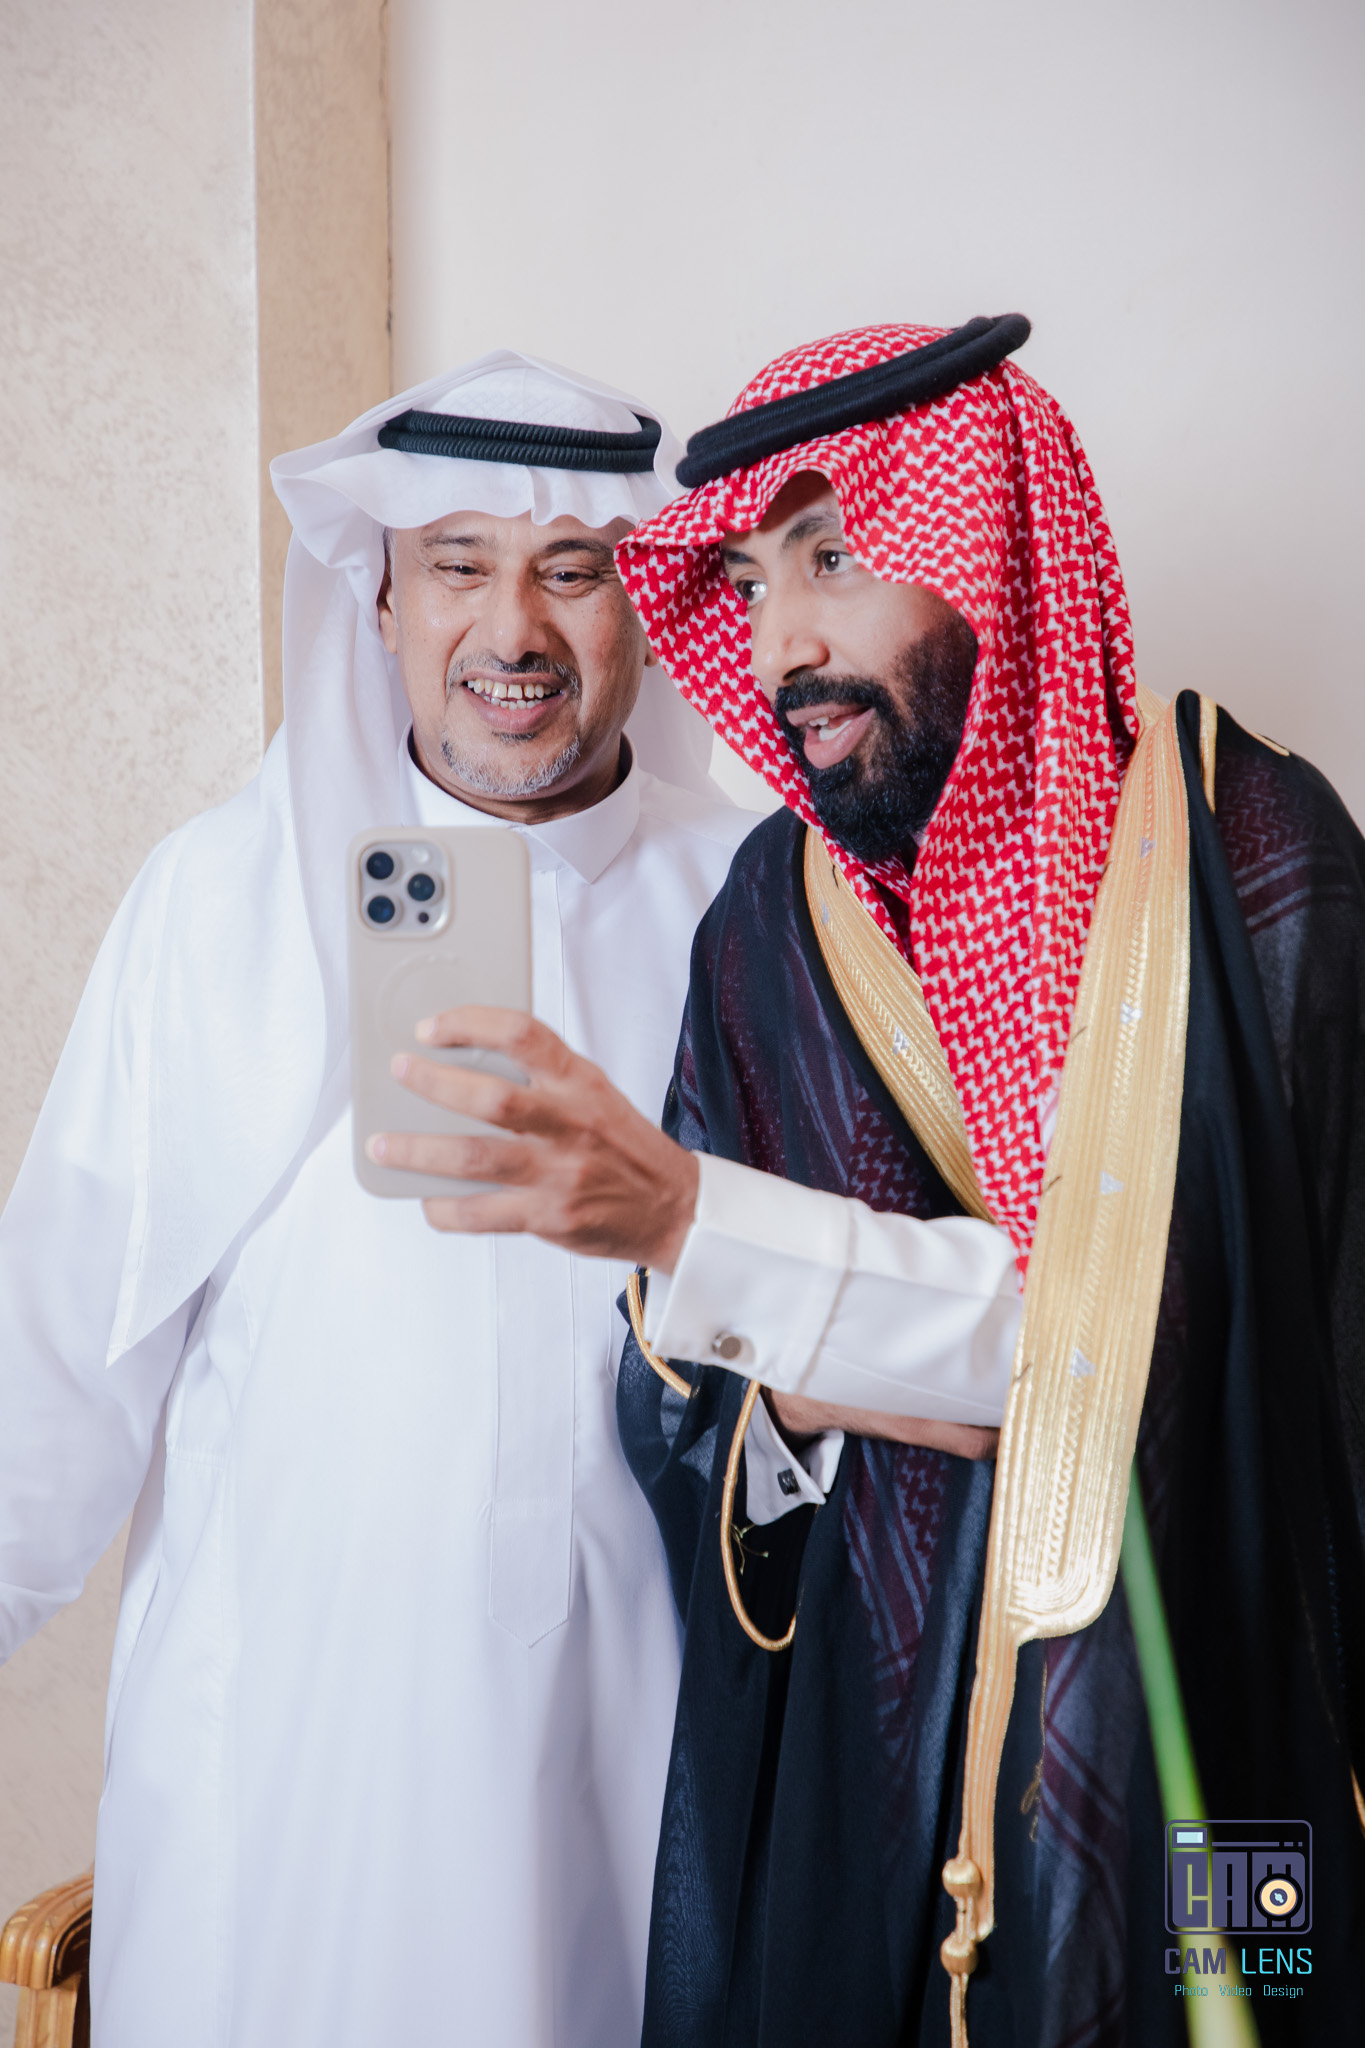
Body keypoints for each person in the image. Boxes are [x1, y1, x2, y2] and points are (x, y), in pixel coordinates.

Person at [387, 320, 1365, 2044]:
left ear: (990, 541)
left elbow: (1204, 1343)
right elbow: (680, 1399)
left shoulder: (1251, 862)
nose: (785, 643)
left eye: (835, 557)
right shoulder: (769, 923)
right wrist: (783, 1402)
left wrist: (726, 1244)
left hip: (1203, 1767)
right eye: (750, 582)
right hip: (866, 1762)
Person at [0, 353, 757, 2046]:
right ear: (384, 603)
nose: (513, 629)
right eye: (457, 566)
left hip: (637, 1754)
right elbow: (52, 1358)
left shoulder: (753, 908)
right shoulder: (221, 898)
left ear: (649, 604)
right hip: (288, 1776)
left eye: (573, 571)